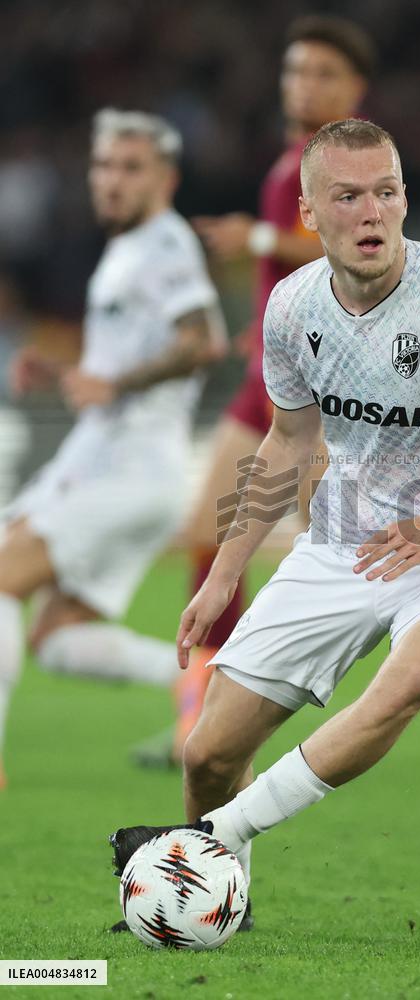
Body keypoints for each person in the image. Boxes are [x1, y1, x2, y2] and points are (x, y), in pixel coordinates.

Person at [109, 120, 420, 917]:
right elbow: (287, 442)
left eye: (386, 192)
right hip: (344, 543)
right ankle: (212, 891)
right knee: (207, 752)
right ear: (309, 214)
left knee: (419, 673)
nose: (371, 212)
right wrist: (225, 573)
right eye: (347, 196)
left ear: (405, 201)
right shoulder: (291, 308)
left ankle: (213, 840)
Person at [131, 15, 377, 769]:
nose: (303, 84)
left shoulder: (355, 163)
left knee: (338, 561)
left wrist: (260, 239)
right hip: (265, 375)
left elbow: (359, 246)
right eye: (295, 71)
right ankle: (201, 715)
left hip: (324, 387)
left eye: (322, 73)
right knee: (208, 533)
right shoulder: (291, 162)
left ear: (355, 88)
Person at [0, 108, 227, 790]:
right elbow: (121, 362)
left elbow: (203, 341)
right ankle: (194, 677)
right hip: (117, 465)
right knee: (58, 640)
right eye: (104, 166)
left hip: (125, 467)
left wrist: (114, 382)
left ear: (166, 178)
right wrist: (66, 371)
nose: (112, 181)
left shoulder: (165, 245)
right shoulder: (131, 249)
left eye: (131, 168)